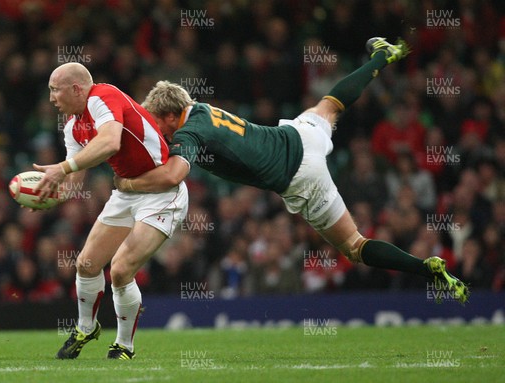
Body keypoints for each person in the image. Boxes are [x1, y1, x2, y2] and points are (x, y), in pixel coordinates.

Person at [114, 38, 469, 304]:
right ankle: (381, 55)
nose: (157, 131)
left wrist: (129, 183)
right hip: (298, 135)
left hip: (300, 176)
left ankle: (426, 268)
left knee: (354, 246)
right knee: (330, 104)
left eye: (158, 123)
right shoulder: (202, 110)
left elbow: (173, 175)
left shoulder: (189, 133)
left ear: (173, 115)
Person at [33, 62, 188, 360]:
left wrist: (63, 168)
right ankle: (85, 327)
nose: (51, 97)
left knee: (120, 270)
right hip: (127, 193)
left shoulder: (103, 96)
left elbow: (109, 141)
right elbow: (74, 180)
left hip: (161, 193)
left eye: (55, 90)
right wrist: (48, 197)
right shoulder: (72, 127)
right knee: (87, 264)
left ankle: (123, 346)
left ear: (77, 89)